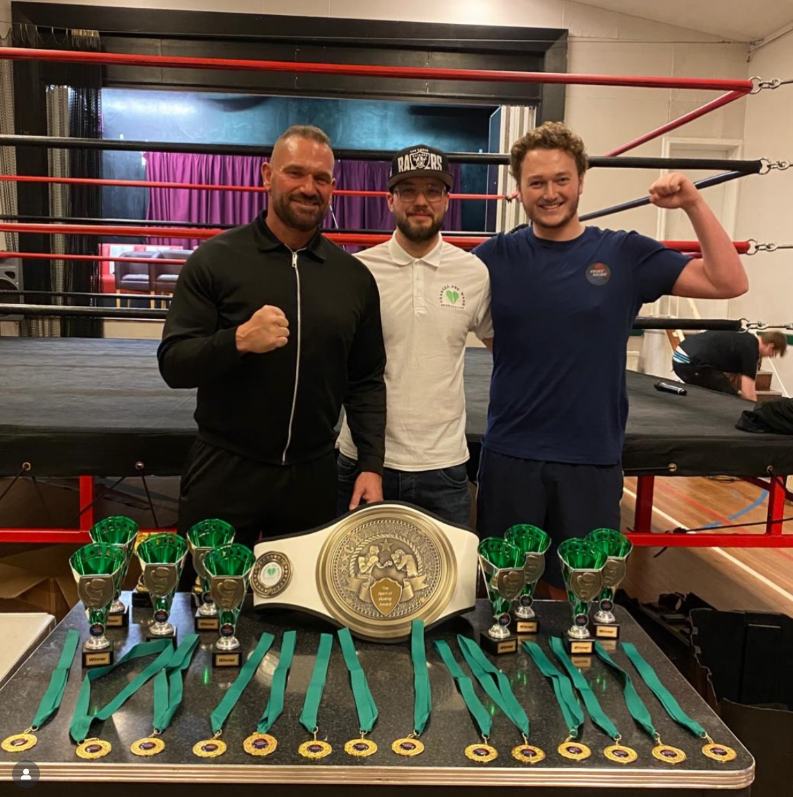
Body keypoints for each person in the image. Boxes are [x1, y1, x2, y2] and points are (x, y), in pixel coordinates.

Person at [473, 121, 749, 595]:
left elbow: (729, 282)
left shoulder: (623, 253)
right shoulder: (495, 256)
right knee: (505, 593)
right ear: (519, 190)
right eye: (537, 182)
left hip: (591, 456)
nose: (550, 193)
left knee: (579, 597)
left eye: (561, 179)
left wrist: (694, 204)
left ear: (581, 180)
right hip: (511, 454)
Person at [158, 125, 386, 548]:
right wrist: (237, 340)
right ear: (267, 175)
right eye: (295, 173)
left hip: (312, 473)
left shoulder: (353, 278)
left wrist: (371, 463)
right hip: (226, 468)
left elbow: (366, 380)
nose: (308, 188)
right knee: (210, 589)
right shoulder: (215, 260)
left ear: (332, 187)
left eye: (321, 178)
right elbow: (174, 363)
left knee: (301, 592)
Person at [335, 144, 492, 526]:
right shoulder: (358, 271)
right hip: (364, 461)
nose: (421, 201)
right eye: (408, 191)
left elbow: (506, 350)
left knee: (448, 568)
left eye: (433, 191)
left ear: (447, 200)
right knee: (351, 566)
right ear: (390, 200)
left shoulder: (473, 272)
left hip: (443, 465)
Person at [673, 330, 786, 401]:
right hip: (688, 362)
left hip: (682, 355)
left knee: (723, 389)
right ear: (770, 346)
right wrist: (755, 414)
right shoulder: (751, 351)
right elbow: (748, 393)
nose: (771, 356)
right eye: (774, 353)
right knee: (730, 398)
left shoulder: (746, 337)